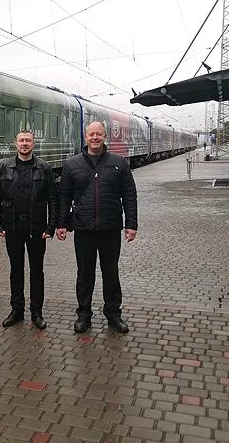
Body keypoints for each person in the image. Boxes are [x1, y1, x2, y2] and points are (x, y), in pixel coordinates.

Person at [56, 121, 137, 334]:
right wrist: (61, 223)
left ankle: (113, 314)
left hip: (110, 228)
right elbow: (63, 196)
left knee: (111, 272)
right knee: (85, 274)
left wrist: (131, 224)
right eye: (91, 134)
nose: (95, 138)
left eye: (98, 134)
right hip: (84, 229)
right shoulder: (72, 164)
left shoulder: (118, 163)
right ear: (85, 136)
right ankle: (84, 315)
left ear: (104, 136)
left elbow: (129, 195)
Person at [0, 130, 57, 330]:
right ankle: (16, 311)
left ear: (33, 144)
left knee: (37, 271)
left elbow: (53, 199)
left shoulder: (44, 168)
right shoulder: (5, 167)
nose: (25, 144)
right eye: (21, 140)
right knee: (16, 270)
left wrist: (51, 227)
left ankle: (36, 312)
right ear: (16, 144)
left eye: (28, 140)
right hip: (12, 228)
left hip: (37, 229)